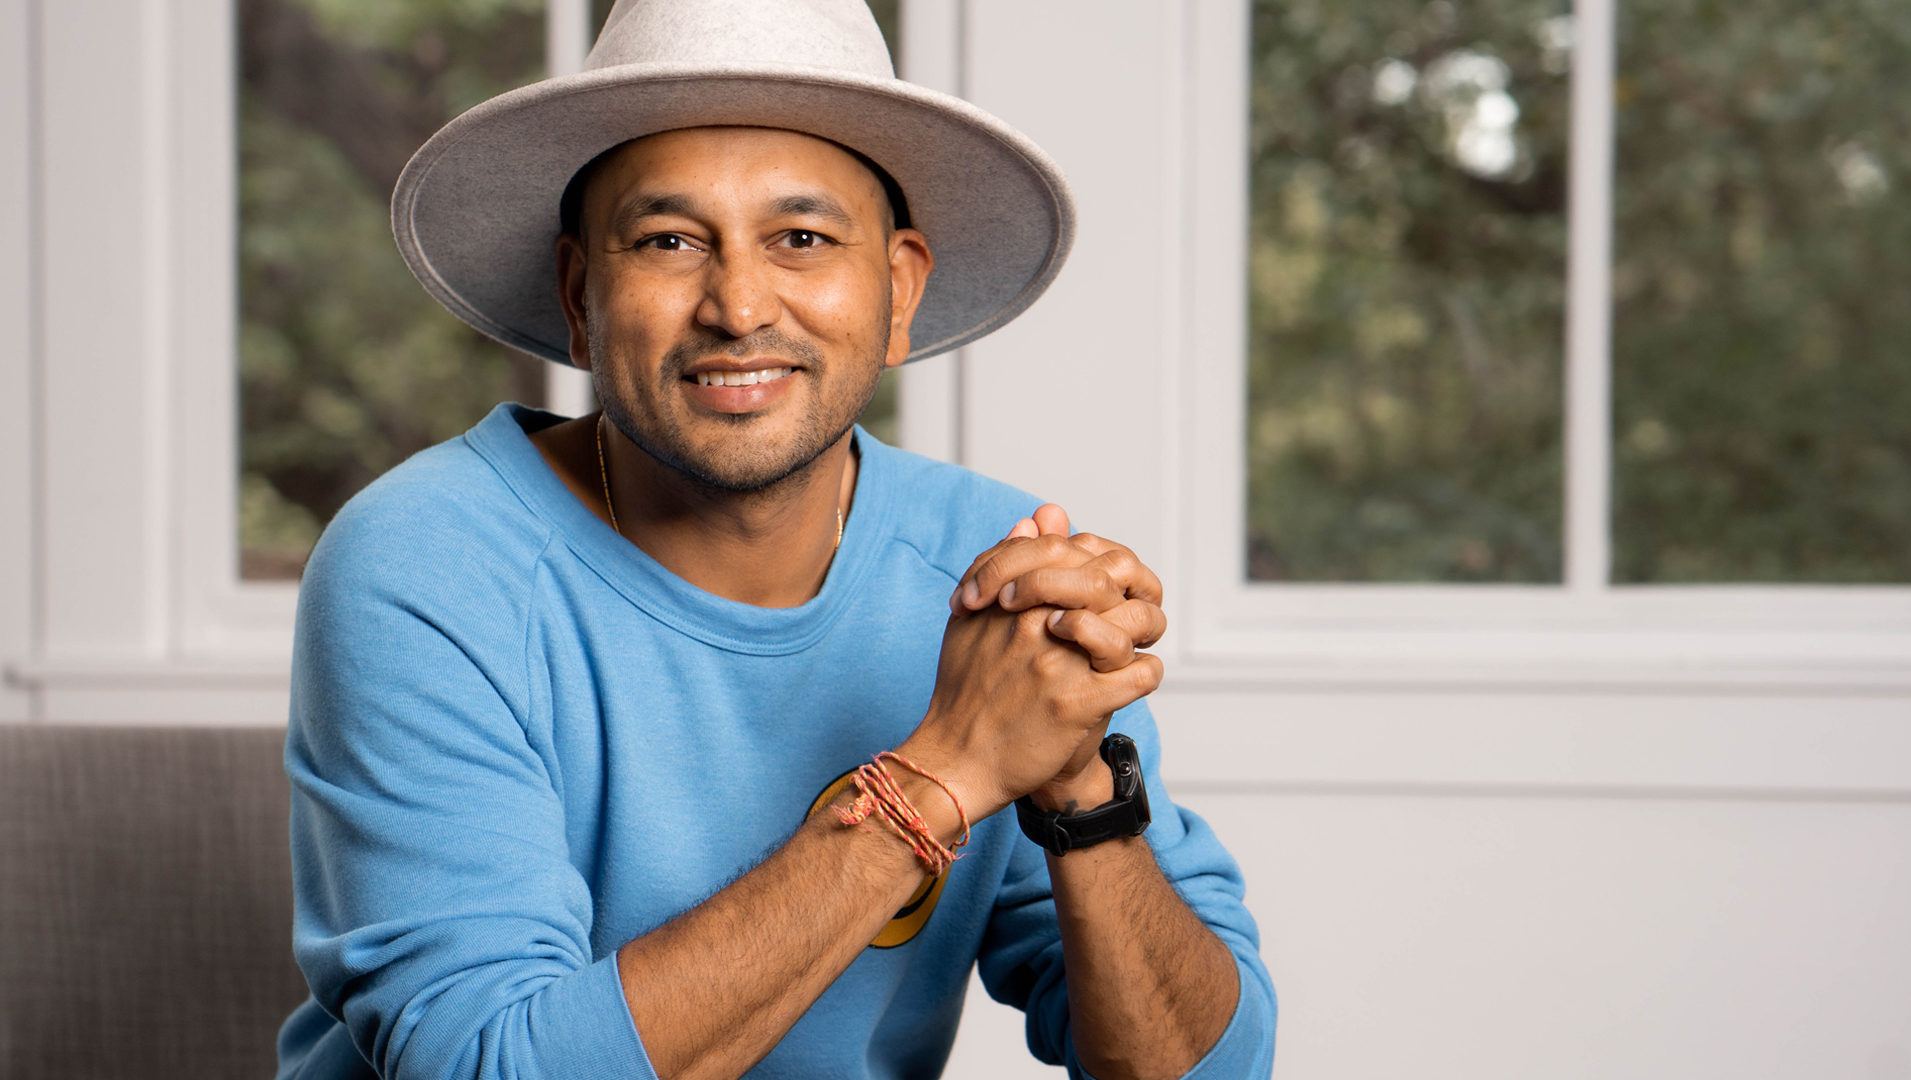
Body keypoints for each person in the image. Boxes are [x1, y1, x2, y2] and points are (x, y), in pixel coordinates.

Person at [276, 1, 1276, 1078]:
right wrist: (941, 775)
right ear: (580, 297)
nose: (739, 304)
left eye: (801, 238)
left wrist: (1077, 786)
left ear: (898, 290)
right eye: (669, 241)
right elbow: (486, 1065)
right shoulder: (425, 564)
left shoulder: (992, 569)